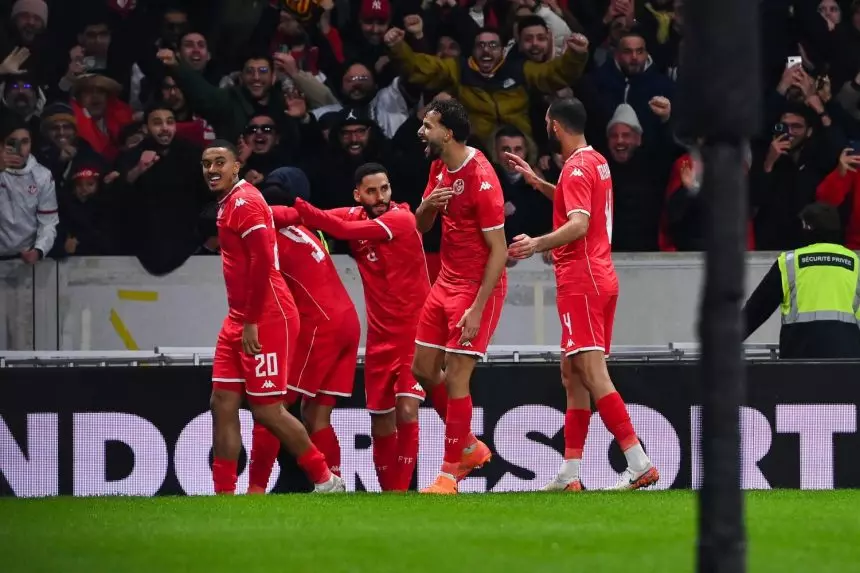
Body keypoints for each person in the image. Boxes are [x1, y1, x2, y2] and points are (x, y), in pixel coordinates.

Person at [506, 97, 660, 491]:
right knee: (573, 374)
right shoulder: (595, 161)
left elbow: (578, 224)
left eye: (547, 123)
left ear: (555, 125)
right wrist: (538, 183)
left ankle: (638, 461)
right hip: (600, 276)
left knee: (591, 373)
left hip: (582, 280)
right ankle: (570, 473)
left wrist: (536, 243)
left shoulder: (575, 168)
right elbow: (577, 203)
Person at [202, 140, 343, 494]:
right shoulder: (230, 202)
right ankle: (223, 495)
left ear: (236, 166)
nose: (212, 170)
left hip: (267, 316)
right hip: (239, 317)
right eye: (206, 164)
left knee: (267, 410)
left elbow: (263, 260)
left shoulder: (245, 202)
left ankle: (325, 479)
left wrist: (250, 321)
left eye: (220, 162)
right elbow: (284, 216)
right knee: (222, 402)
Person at [286, 162, 431, 492]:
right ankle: (390, 493)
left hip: (415, 332)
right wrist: (270, 212)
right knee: (380, 419)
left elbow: (338, 229)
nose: (380, 197)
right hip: (379, 337)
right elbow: (316, 218)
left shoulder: (401, 218)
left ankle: (401, 494)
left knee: (407, 410)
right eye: (372, 191)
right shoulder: (355, 215)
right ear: (357, 194)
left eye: (385, 188)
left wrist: (296, 202)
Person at [410, 99, 508, 495]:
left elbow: (499, 251)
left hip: (476, 288)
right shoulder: (438, 167)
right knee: (422, 370)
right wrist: (427, 205)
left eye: (428, 126)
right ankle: (467, 443)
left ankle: (449, 475)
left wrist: (477, 309)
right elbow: (421, 226)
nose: (421, 132)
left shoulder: (482, 179)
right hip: (444, 283)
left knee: (456, 377)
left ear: (448, 133)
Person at [247, 168, 361, 493]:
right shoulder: (307, 229)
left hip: (320, 324)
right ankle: (334, 485)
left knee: (271, 407)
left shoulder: (266, 232)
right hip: (348, 321)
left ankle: (255, 490)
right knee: (316, 415)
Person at [743, 202, 860, 359]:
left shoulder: (789, 262)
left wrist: (723, 342)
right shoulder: (856, 263)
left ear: (807, 227)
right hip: (848, 360)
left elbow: (756, 310)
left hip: (799, 360)